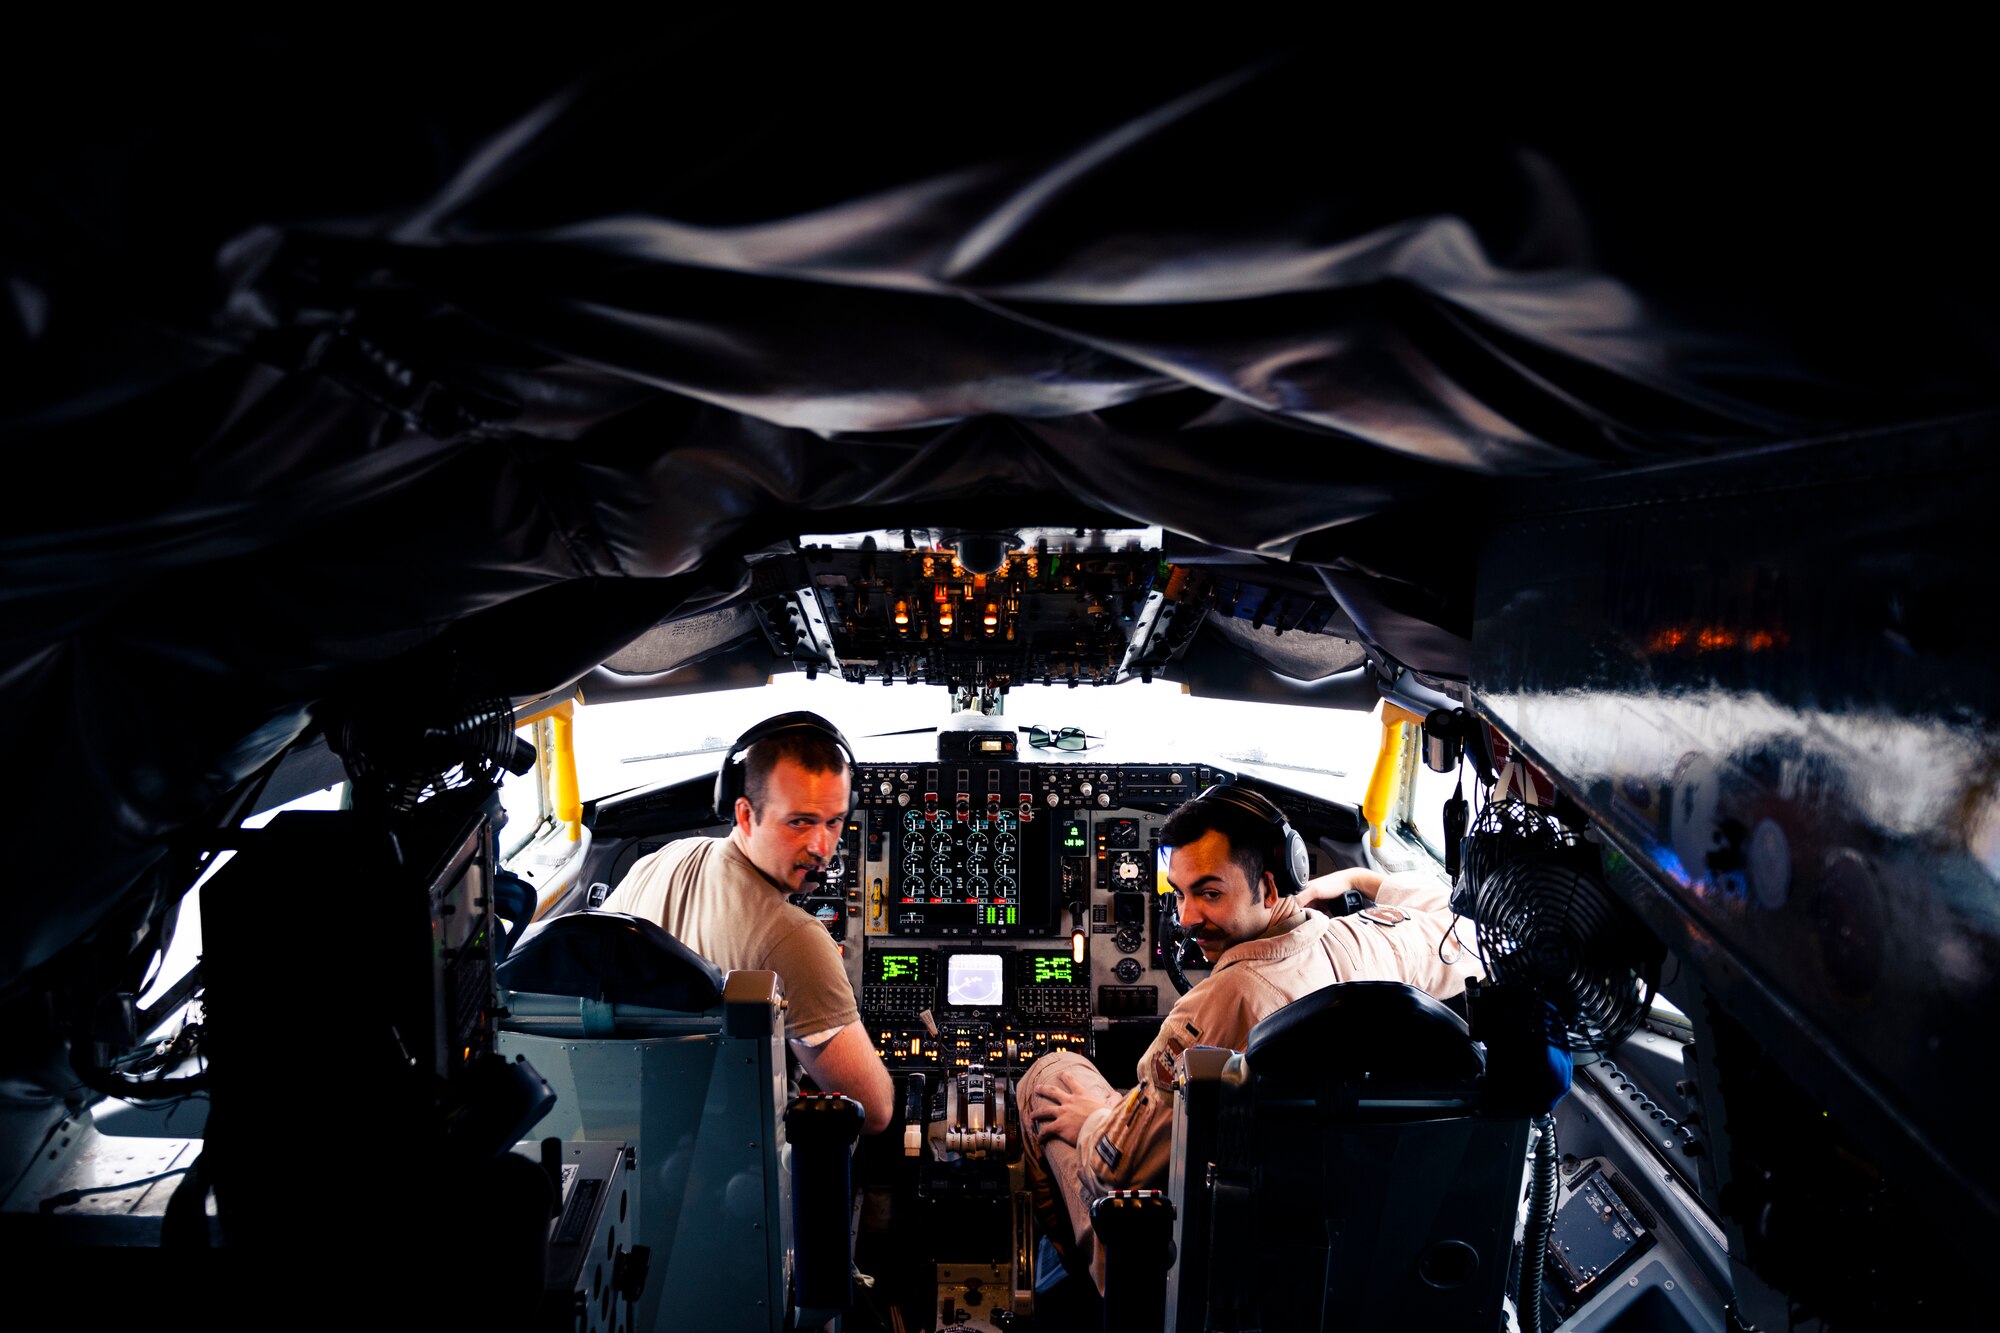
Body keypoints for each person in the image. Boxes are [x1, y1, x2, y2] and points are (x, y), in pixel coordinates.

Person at [1018, 787, 1481, 1291]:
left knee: (1050, 1076)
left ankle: (1083, 1287)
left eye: (1210, 893)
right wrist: (1357, 877)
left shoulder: (1220, 1006)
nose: (1187, 917)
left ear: (1269, 887)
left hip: (1203, 1257)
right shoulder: (1367, 941)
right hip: (1343, 1237)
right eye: (1179, 892)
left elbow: (1117, 1168)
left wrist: (1096, 1117)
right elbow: (1464, 930)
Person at [599, 712, 895, 1134]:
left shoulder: (657, 861)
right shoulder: (793, 939)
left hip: (638, 1131)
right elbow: (874, 1110)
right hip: (751, 1165)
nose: (821, 847)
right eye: (800, 822)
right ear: (744, 814)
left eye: (834, 822)